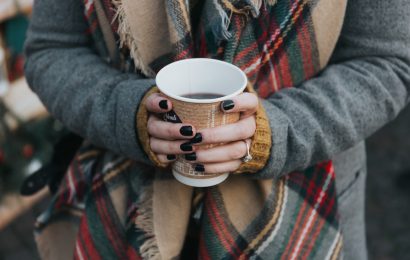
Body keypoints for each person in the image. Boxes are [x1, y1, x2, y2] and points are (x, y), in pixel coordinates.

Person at [24, 0, 409, 259]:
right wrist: (130, 115)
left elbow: (386, 62)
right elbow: (53, 49)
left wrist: (274, 134)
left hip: (302, 212)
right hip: (126, 211)